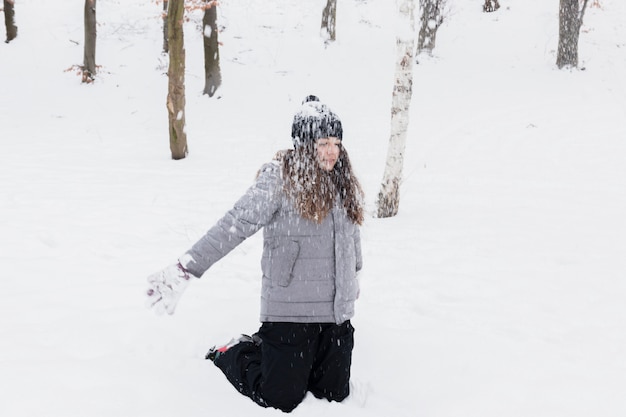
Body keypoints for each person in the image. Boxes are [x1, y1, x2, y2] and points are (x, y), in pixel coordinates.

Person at [146, 95, 364, 413]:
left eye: (336, 143)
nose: (332, 151)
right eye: (323, 143)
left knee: (333, 396)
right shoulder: (280, 179)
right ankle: (235, 350)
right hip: (290, 314)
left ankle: (283, 355)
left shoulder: (341, 181)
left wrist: (354, 274)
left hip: (335, 317)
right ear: (305, 144)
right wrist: (186, 267)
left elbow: (351, 237)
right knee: (281, 398)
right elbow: (234, 225)